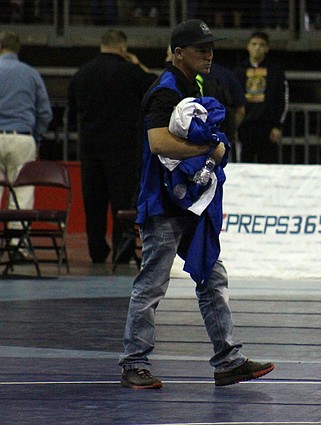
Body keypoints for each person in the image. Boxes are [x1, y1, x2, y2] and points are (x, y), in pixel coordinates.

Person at [118, 19, 274, 390]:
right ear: (178, 53)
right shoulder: (166, 90)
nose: (209, 53)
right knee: (152, 283)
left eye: (210, 47)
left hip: (190, 201)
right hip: (164, 204)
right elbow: (157, 142)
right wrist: (210, 149)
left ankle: (228, 360)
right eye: (200, 48)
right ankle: (133, 362)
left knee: (211, 275)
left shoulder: (195, 83)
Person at [68, 29, 157, 265]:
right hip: (123, 148)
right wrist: (139, 64)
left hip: (90, 148)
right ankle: (122, 251)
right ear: (122, 47)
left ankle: (96, 251)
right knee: (122, 202)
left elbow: (73, 107)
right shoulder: (131, 71)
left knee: (94, 203)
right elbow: (157, 87)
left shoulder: (81, 74)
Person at [0, 31, 53, 234]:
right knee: (21, 195)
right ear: (18, 49)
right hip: (22, 138)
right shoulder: (31, 73)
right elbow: (45, 113)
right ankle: (18, 245)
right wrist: (35, 137)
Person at [235, 31, 288, 164]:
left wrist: (278, 126)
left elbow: (282, 99)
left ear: (267, 48)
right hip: (245, 127)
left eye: (261, 45)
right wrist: (234, 127)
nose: (257, 48)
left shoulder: (275, 71)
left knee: (269, 167)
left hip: (267, 128)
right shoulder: (239, 71)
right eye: (254, 44)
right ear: (248, 46)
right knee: (244, 167)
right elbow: (233, 99)